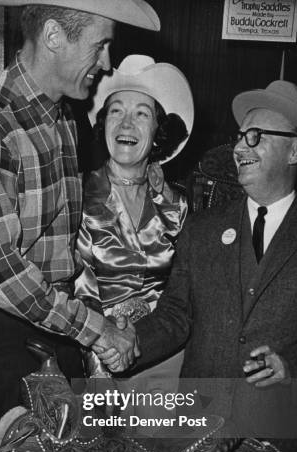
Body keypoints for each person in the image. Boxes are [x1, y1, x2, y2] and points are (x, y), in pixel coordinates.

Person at [0, 0, 160, 452]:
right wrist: (97, 330)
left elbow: (64, 245)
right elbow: (0, 271)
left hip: (52, 323)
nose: (105, 63)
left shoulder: (62, 118)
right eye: (100, 45)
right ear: (54, 36)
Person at [98, 80, 297, 439]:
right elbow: (176, 314)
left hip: (285, 436)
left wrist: (295, 363)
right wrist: (131, 342)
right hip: (199, 428)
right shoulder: (202, 228)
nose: (238, 148)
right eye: (239, 136)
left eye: (256, 136)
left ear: (295, 150)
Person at [75, 54, 194, 395]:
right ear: (103, 124)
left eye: (141, 114)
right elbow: (78, 291)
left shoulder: (177, 205)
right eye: (116, 111)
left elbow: (185, 295)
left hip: (167, 351)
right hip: (101, 355)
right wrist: (102, 362)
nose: (126, 124)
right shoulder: (77, 198)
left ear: (159, 132)